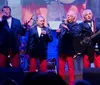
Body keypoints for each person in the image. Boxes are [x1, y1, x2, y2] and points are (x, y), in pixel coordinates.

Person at [56, 11, 80, 85]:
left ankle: (71, 83)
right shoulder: (61, 24)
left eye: (70, 15)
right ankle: (60, 82)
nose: (68, 17)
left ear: (74, 17)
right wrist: (58, 32)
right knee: (61, 68)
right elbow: (59, 37)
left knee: (70, 68)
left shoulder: (76, 25)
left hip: (70, 49)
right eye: (67, 15)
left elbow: (75, 35)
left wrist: (67, 27)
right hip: (62, 48)